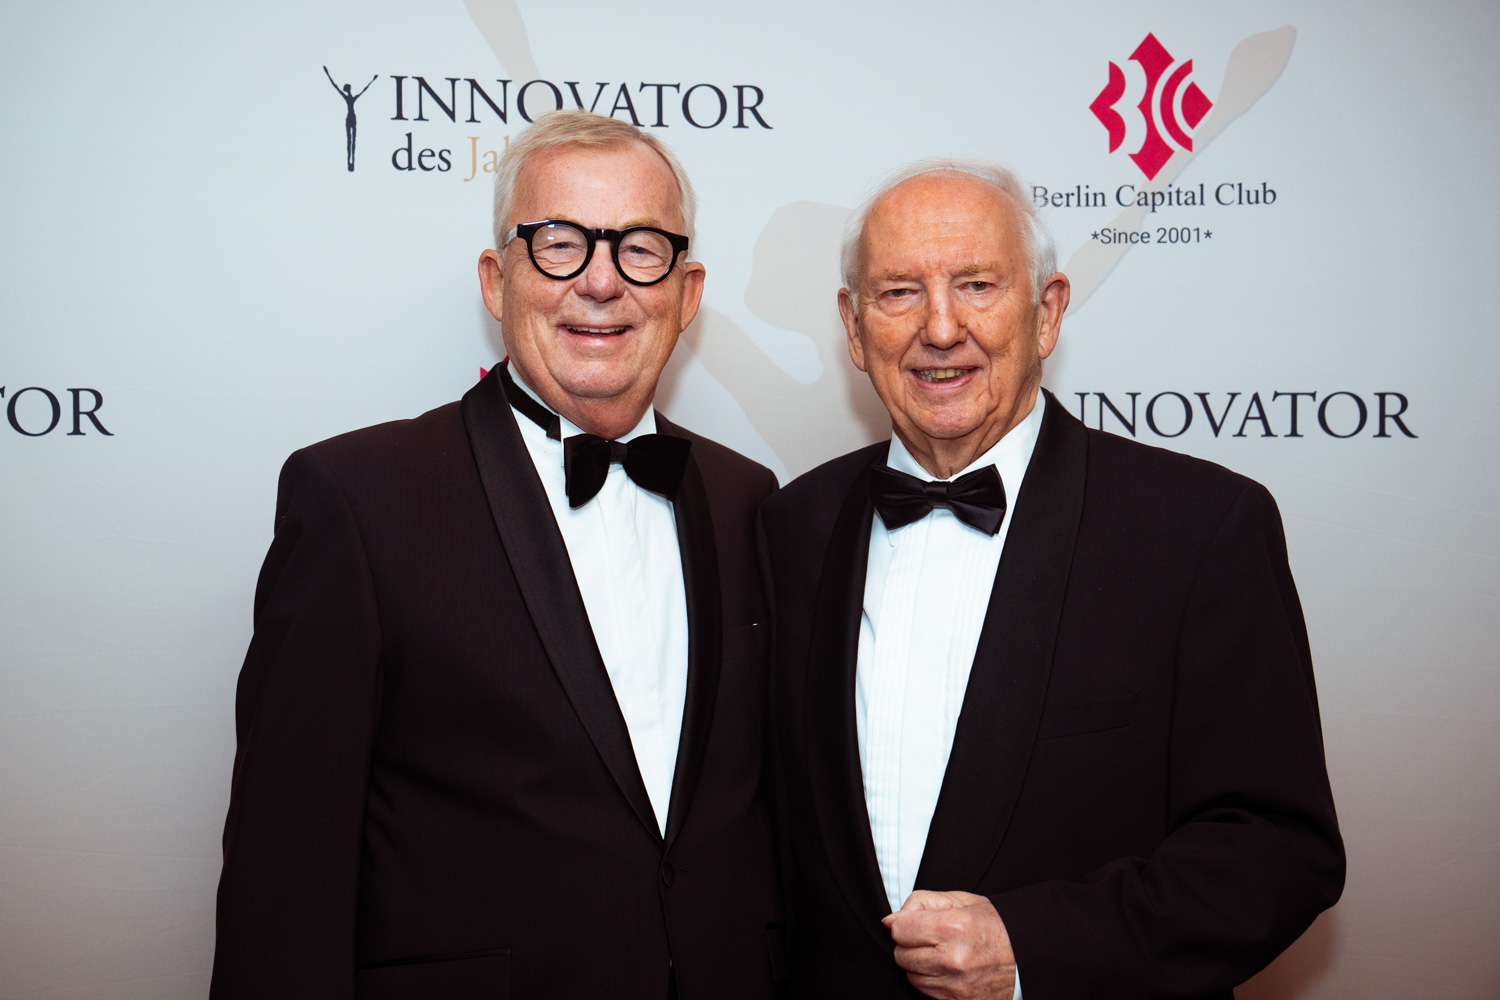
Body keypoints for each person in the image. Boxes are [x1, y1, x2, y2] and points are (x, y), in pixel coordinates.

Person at [212, 110, 785, 999]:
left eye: (641, 248)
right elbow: (284, 871)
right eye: (559, 243)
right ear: (496, 278)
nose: (602, 282)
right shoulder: (360, 499)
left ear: (687, 290)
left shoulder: (749, 498)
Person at [758, 160, 1344, 999]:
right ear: (854, 328)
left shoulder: (1199, 528)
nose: (941, 328)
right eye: (899, 293)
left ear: (1047, 312)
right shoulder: (792, 527)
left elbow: (1279, 849)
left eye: (977, 285)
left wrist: (1033, 948)